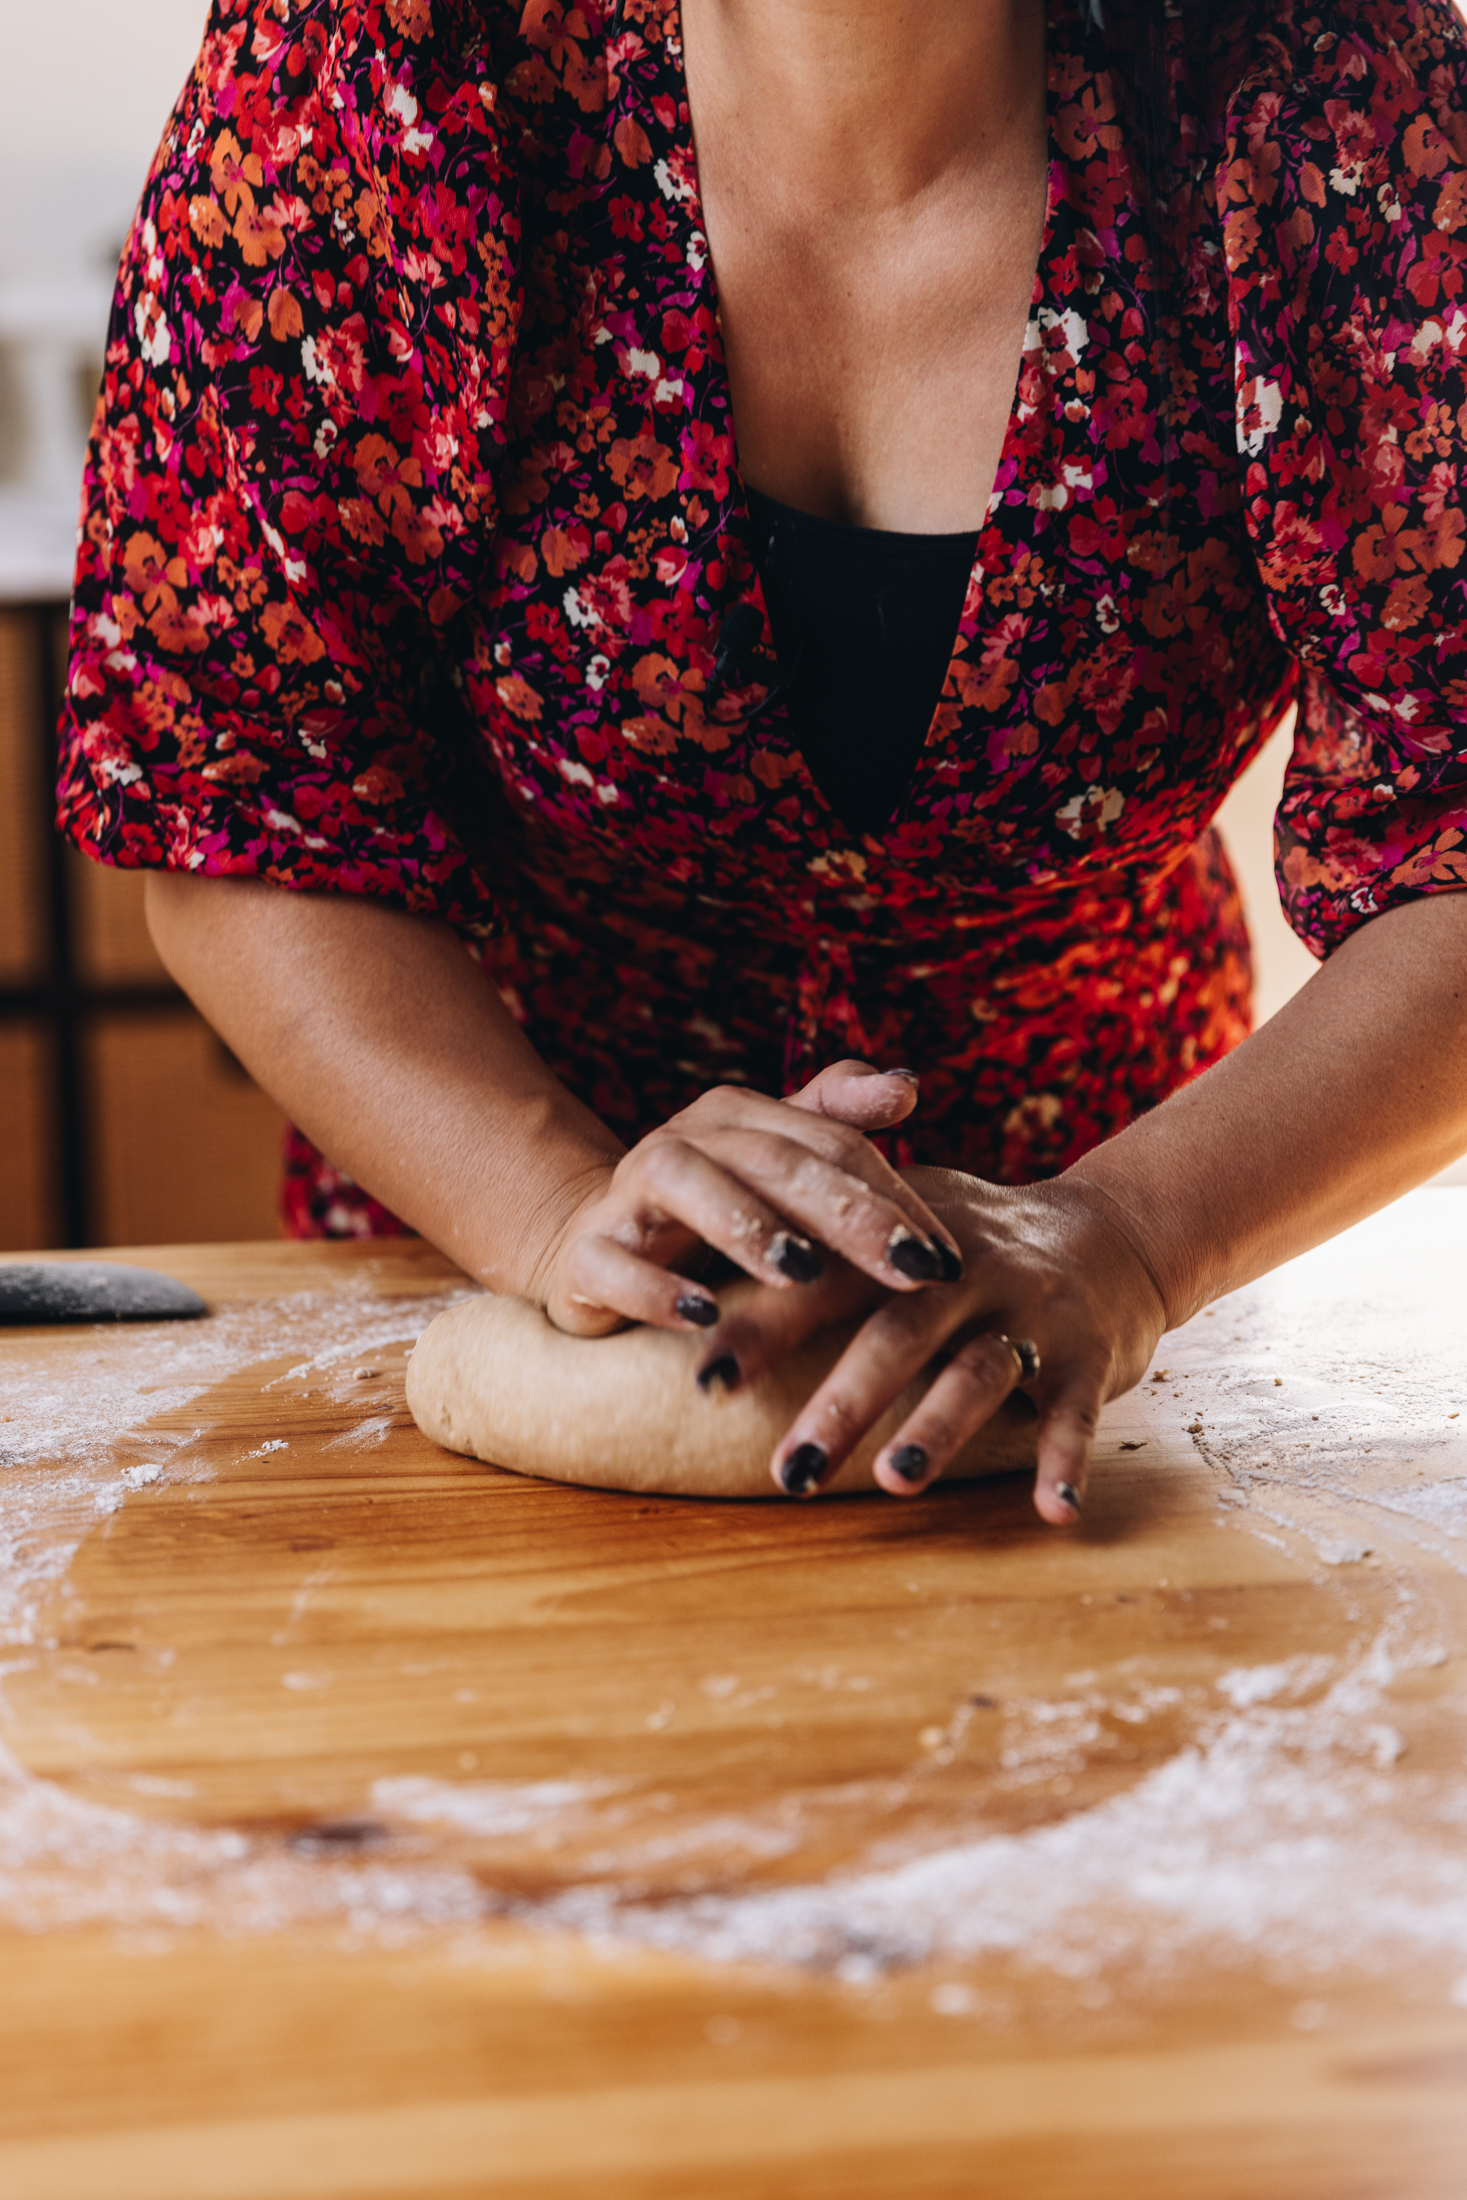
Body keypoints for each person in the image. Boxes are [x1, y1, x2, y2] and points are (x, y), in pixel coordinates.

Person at [58, 0, 1467, 1519]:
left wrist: (1129, 1235)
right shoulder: (375, 65)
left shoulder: (1334, 94)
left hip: (1123, 1317)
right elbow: (231, 790)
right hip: (485, 1224)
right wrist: (550, 1213)